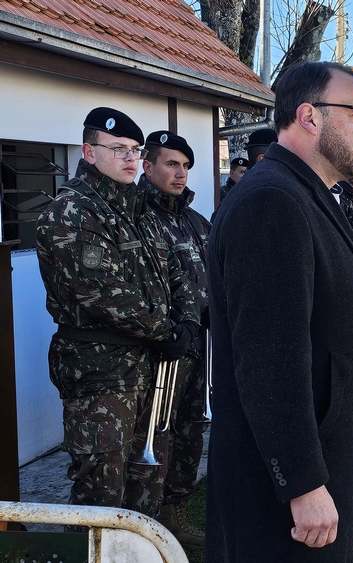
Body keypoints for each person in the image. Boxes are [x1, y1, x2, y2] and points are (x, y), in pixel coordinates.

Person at [206, 61, 353, 562]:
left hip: (330, 460)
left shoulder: (303, 194)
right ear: (309, 116)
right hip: (287, 499)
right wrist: (302, 482)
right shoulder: (272, 201)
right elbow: (269, 359)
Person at [35, 108, 199, 519]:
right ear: (89, 152)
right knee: (101, 493)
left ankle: (146, 547)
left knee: (147, 484)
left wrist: (188, 321)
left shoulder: (140, 212)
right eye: (118, 149)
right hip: (102, 372)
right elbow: (102, 293)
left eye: (135, 150)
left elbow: (175, 272)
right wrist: (167, 331)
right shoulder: (72, 212)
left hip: (151, 367)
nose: (130, 158)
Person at [139, 130, 212, 547]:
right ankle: (144, 525)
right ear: (147, 166)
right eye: (171, 164)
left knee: (188, 433)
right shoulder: (138, 216)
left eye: (185, 166)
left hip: (198, 347)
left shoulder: (195, 220)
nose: (180, 173)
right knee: (155, 433)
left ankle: (175, 517)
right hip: (159, 351)